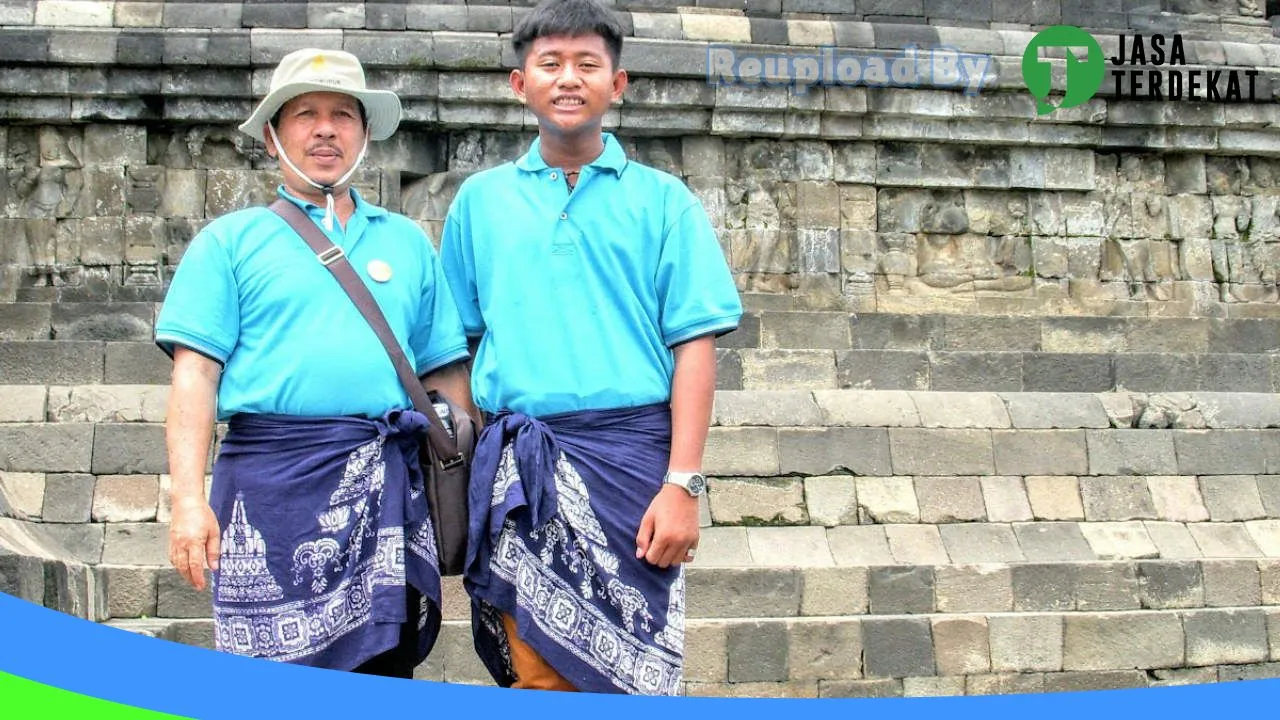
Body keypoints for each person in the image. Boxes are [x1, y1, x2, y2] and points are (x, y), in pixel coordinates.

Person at [440, 0, 743, 695]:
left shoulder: (665, 204)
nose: (568, 78)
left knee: (636, 670)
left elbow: (693, 346)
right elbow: (456, 346)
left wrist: (683, 483)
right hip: (522, 467)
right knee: (537, 674)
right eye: (550, 64)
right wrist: (473, 467)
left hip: (633, 466)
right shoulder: (480, 204)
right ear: (521, 85)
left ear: (618, 83)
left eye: (587, 64)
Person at [155, 48, 477, 678]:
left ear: (364, 133)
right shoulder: (230, 242)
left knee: (385, 670)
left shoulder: (406, 243)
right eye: (305, 114)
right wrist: (188, 501)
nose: (325, 128)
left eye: (342, 114)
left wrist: (461, 482)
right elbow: (195, 375)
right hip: (268, 481)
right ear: (274, 136)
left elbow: (443, 376)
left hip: (383, 484)